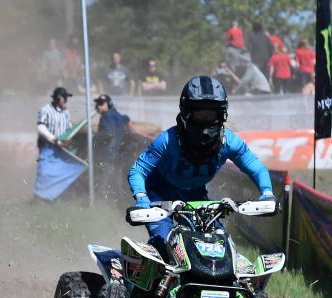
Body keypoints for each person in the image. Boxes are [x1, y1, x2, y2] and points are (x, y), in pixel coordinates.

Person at [127, 76, 273, 258]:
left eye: (211, 114)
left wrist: (267, 193)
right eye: (200, 114)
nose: (205, 121)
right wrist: (142, 200)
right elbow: (138, 170)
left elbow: (257, 168)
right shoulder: (167, 140)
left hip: (195, 197)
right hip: (158, 194)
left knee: (221, 248)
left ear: (221, 115)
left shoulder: (230, 141)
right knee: (164, 247)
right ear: (186, 113)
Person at [94, 94, 146, 197]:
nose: (98, 106)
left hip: (106, 156)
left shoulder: (107, 116)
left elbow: (107, 134)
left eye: (101, 103)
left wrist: (93, 138)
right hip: (116, 156)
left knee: (103, 184)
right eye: (97, 103)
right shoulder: (117, 115)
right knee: (115, 185)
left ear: (108, 104)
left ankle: (98, 205)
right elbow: (125, 118)